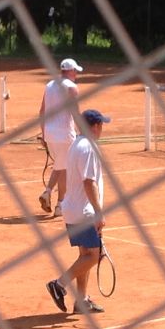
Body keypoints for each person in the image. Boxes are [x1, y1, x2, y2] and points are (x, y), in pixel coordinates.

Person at [46, 109, 111, 314]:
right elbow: (89, 182)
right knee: (94, 256)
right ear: (95, 126)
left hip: (71, 210)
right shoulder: (89, 148)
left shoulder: (76, 144)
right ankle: (59, 284)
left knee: (85, 255)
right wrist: (99, 213)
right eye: (101, 125)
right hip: (84, 212)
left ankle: (81, 300)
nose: (102, 129)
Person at [38, 58, 83, 218]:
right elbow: (75, 113)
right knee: (64, 168)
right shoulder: (71, 87)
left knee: (60, 166)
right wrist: (83, 133)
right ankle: (55, 200)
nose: (76, 74)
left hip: (50, 134)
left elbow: (42, 112)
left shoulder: (49, 85)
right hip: (65, 134)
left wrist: (44, 134)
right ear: (70, 71)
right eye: (75, 71)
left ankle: (55, 200)